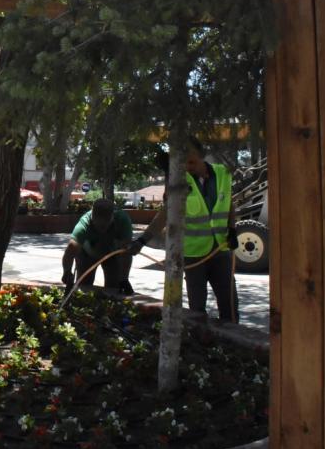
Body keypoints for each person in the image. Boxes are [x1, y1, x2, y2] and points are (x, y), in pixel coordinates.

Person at [129, 137, 239, 322]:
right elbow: (165, 214)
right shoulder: (179, 182)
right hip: (194, 255)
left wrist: (232, 229)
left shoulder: (223, 173)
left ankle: (233, 337)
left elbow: (229, 203)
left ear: (202, 155)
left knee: (230, 305)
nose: (188, 167)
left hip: (221, 250)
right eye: (184, 163)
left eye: (192, 162)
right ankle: (200, 338)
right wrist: (142, 240)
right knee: (197, 309)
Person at [62, 198, 135, 295]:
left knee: (114, 289)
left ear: (112, 216)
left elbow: (126, 251)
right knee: (83, 287)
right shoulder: (84, 224)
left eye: (105, 225)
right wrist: (67, 272)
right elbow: (71, 249)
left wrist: (124, 278)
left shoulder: (122, 220)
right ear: (92, 217)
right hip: (86, 255)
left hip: (112, 255)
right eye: (98, 225)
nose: (102, 230)